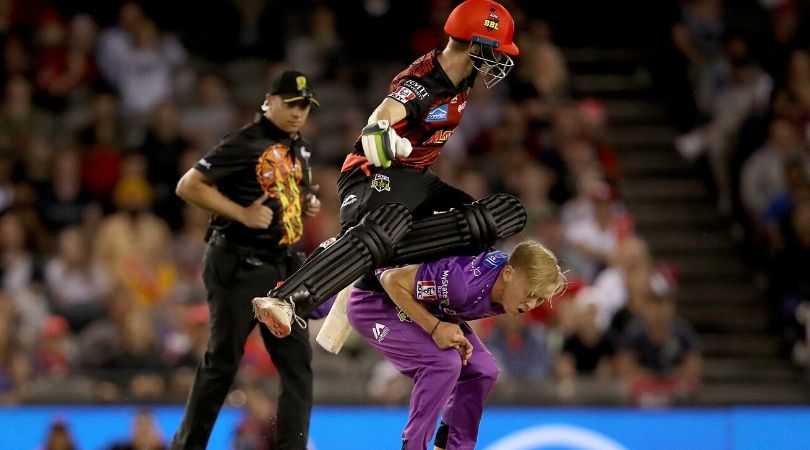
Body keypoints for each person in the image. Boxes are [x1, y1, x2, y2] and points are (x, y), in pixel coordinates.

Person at [254, 0, 525, 339]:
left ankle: (361, 263)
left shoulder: (466, 73)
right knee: (387, 224)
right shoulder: (428, 80)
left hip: (417, 179)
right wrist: (381, 130)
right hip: (374, 171)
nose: (499, 60)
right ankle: (289, 298)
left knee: (496, 218)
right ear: (475, 44)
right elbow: (386, 110)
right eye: (496, 50)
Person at [169, 69, 321, 449]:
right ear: (268, 102)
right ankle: (187, 445)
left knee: (298, 368)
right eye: (290, 104)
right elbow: (188, 185)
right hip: (237, 263)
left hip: (281, 271)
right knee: (222, 364)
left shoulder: (298, 146)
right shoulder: (243, 141)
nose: (298, 112)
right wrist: (242, 214)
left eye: (304, 106)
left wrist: (306, 203)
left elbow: (285, 193)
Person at [347, 240, 566, 449]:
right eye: (530, 294)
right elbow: (390, 280)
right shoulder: (460, 283)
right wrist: (434, 327)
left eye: (538, 299)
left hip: (426, 305)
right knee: (444, 363)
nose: (530, 304)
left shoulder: (505, 286)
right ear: (508, 273)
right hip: (373, 303)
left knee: (484, 370)